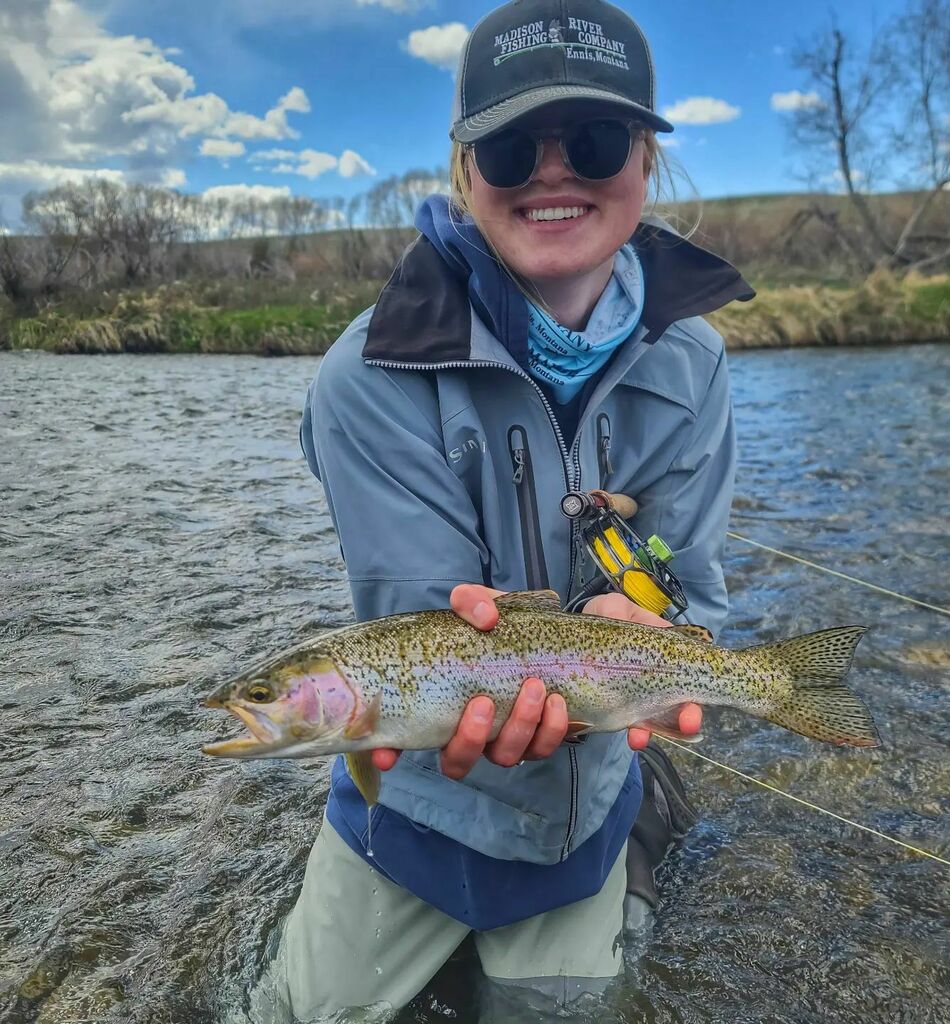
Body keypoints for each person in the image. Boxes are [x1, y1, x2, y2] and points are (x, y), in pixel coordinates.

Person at [278, 0, 753, 1018]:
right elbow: (428, 642)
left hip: (582, 826)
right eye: (506, 146)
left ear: (643, 163)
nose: (552, 171)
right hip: (410, 817)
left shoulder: (698, 363)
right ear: (462, 168)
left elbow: (697, 585)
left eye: (591, 139)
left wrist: (658, 631)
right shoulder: (365, 379)